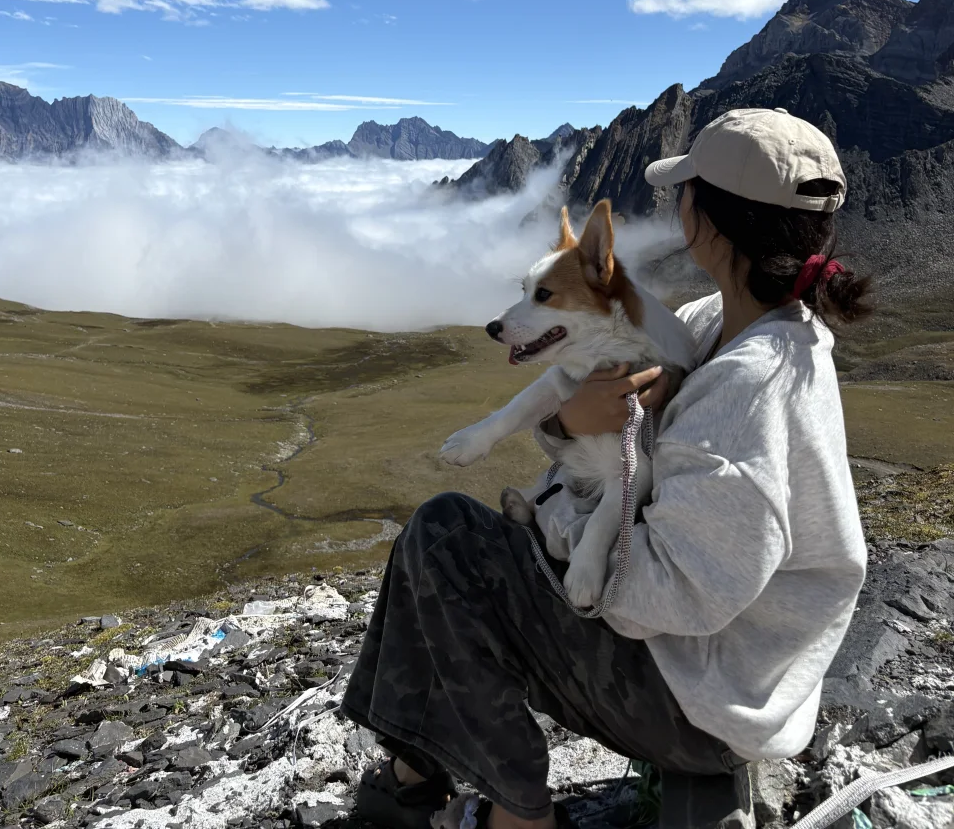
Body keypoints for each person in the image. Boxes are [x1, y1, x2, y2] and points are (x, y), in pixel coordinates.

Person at [341, 107, 871, 829]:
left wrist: (548, 520)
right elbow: (611, 433)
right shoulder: (717, 324)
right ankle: (412, 770)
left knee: (446, 541)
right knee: (454, 543)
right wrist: (568, 423)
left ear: (708, 223)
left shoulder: (752, 388)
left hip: (707, 707)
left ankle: (511, 816)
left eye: (685, 190)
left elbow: (662, 593)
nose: (676, 204)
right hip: (717, 675)